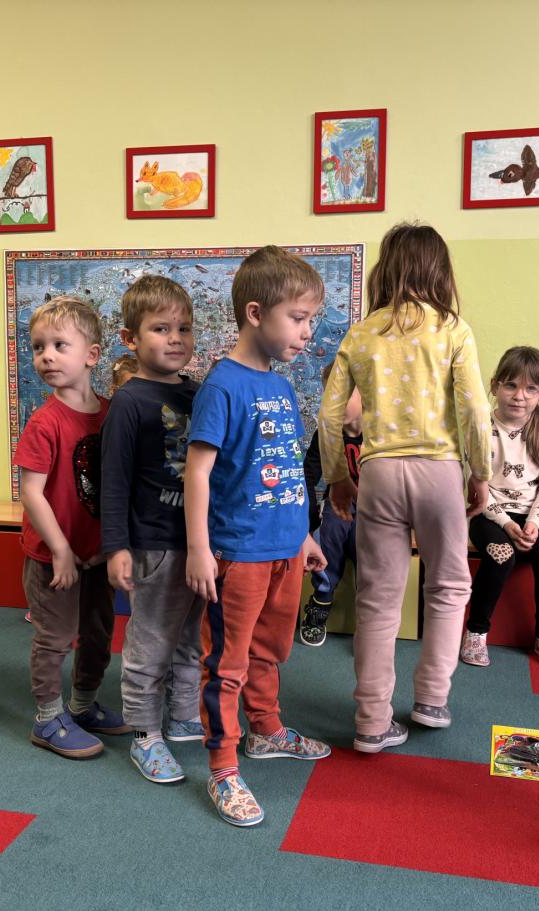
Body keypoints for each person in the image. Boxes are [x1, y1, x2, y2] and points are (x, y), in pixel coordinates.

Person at [317, 222, 492, 754]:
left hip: (379, 474)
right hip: (440, 471)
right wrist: (480, 473)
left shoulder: (361, 332)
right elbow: (475, 411)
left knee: (377, 597)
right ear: (440, 270)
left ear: (385, 270)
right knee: (449, 585)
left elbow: (329, 416)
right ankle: (432, 699)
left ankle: (371, 721)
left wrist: (337, 477)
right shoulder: (454, 330)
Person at [185, 246, 331, 827]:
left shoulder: (282, 388)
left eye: (310, 319)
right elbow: (198, 472)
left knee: (271, 650)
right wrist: (200, 548)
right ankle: (223, 766)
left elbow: (286, 468)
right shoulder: (222, 387)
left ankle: (265, 730)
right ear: (255, 313)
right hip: (238, 553)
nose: (307, 331)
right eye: (297, 318)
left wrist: (304, 535)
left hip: (285, 549)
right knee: (227, 662)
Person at [14, 296, 128, 759]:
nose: (46, 356)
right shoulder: (45, 422)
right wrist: (60, 549)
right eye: (38, 347)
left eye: (59, 345)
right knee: (56, 638)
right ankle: (47, 718)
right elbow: (31, 492)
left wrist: (115, 544)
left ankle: (82, 706)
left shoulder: (111, 413)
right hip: (53, 556)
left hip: (97, 553)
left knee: (99, 635)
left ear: (92, 355)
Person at [102, 275, 204, 784]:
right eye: (161, 329)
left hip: (198, 542)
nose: (175, 338)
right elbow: (114, 479)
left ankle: (183, 715)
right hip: (153, 542)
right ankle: (144, 732)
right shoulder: (129, 401)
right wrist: (116, 547)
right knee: (150, 641)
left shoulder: (199, 393)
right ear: (130, 339)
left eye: (183, 328)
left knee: (189, 636)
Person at [461, 346, 539, 670]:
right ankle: (476, 632)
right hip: (489, 512)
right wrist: (507, 524)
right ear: (495, 385)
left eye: (530, 388)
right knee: (501, 556)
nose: (519, 396)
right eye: (511, 385)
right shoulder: (480, 428)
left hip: (534, 514)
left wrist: (534, 523)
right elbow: (477, 485)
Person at [299, 363, 362, 647]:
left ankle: (370, 614)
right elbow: (307, 475)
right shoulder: (326, 434)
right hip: (339, 503)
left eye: (345, 395)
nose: (337, 403)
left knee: (368, 543)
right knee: (331, 531)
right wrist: (310, 518)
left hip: (375, 508)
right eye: (331, 396)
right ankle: (322, 598)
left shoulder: (382, 434)